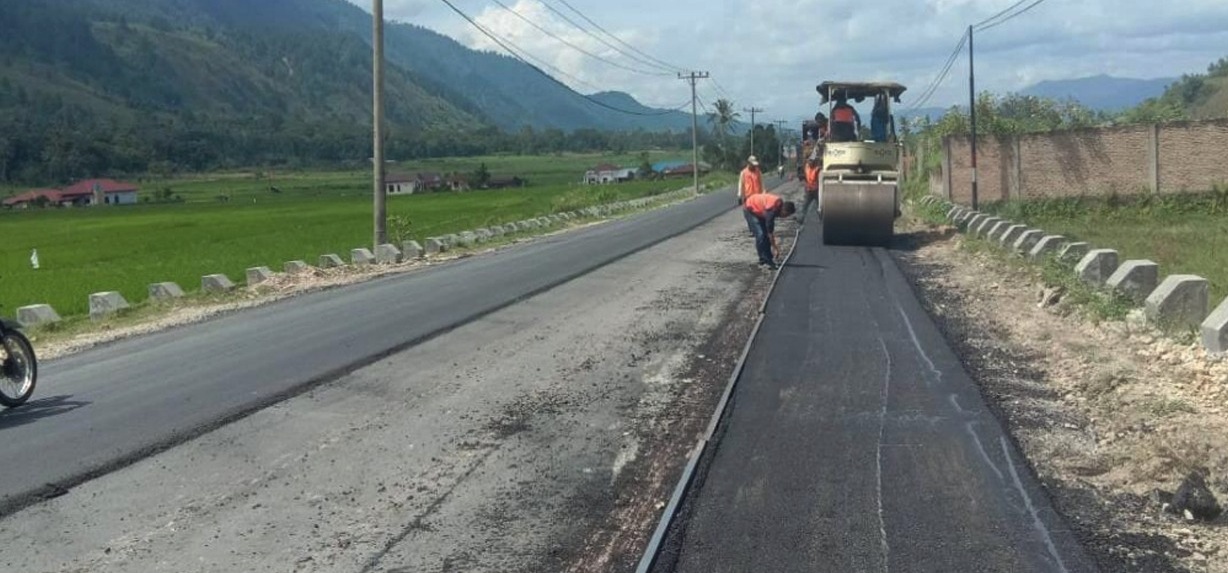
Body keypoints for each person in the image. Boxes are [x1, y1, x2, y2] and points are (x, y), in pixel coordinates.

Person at [743, 192, 796, 269]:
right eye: (786, 215)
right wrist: (775, 247)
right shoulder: (772, 211)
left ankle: (768, 258)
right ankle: (764, 259)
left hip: (760, 210)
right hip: (750, 208)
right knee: (761, 234)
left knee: (765, 235)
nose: (784, 217)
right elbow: (770, 232)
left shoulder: (777, 206)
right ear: (784, 210)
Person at [798, 155, 821, 224]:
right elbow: (804, 176)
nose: (810, 162)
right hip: (809, 190)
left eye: (811, 161)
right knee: (805, 205)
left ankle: (821, 219)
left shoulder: (818, 169)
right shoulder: (806, 167)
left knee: (819, 206)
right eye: (809, 161)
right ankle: (801, 219)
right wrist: (800, 177)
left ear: (814, 162)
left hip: (817, 191)